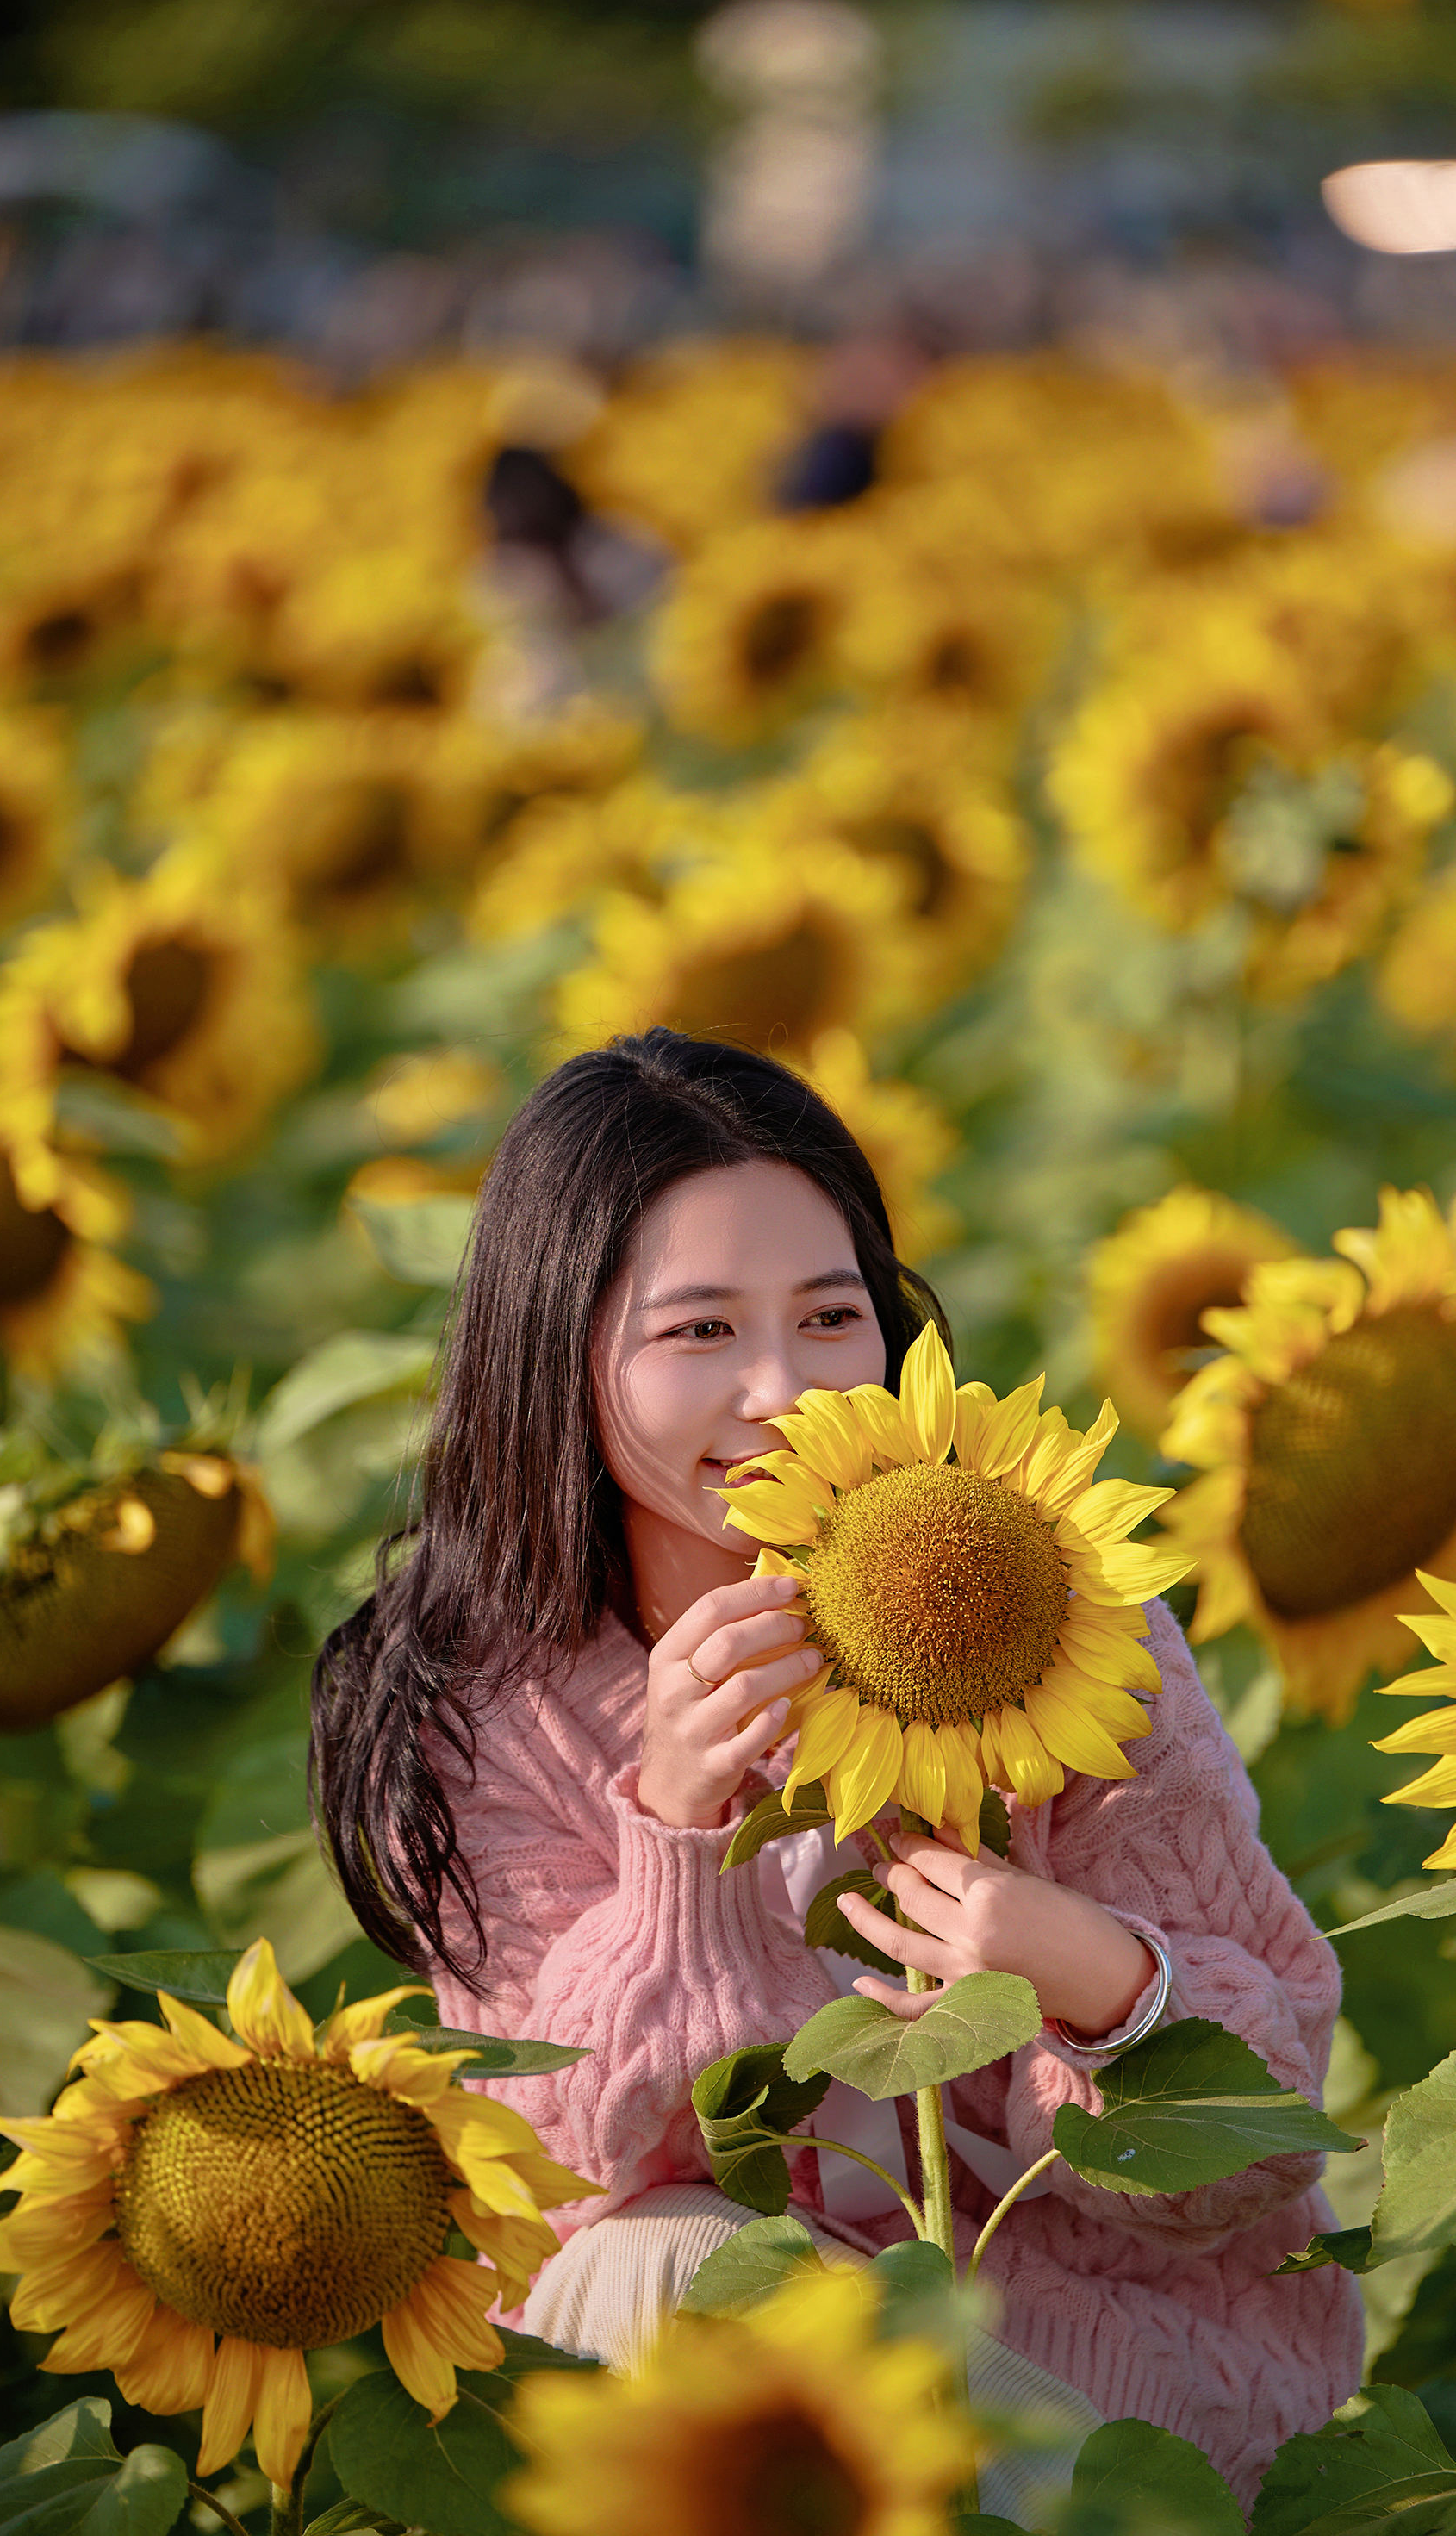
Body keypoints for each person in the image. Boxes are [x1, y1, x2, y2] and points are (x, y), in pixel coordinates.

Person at [312, 1027, 1362, 2513]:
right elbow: (558, 2192)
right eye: (698, 1332)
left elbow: (1258, 2150)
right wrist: (679, 1831)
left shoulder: (1051, 1616)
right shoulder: (485, 1712)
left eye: (828, 1316)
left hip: (1100, 2412)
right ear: (557, 1351)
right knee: (665, 2259)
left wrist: (1092, 1975)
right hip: (741, 2440)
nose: (782, 1389)